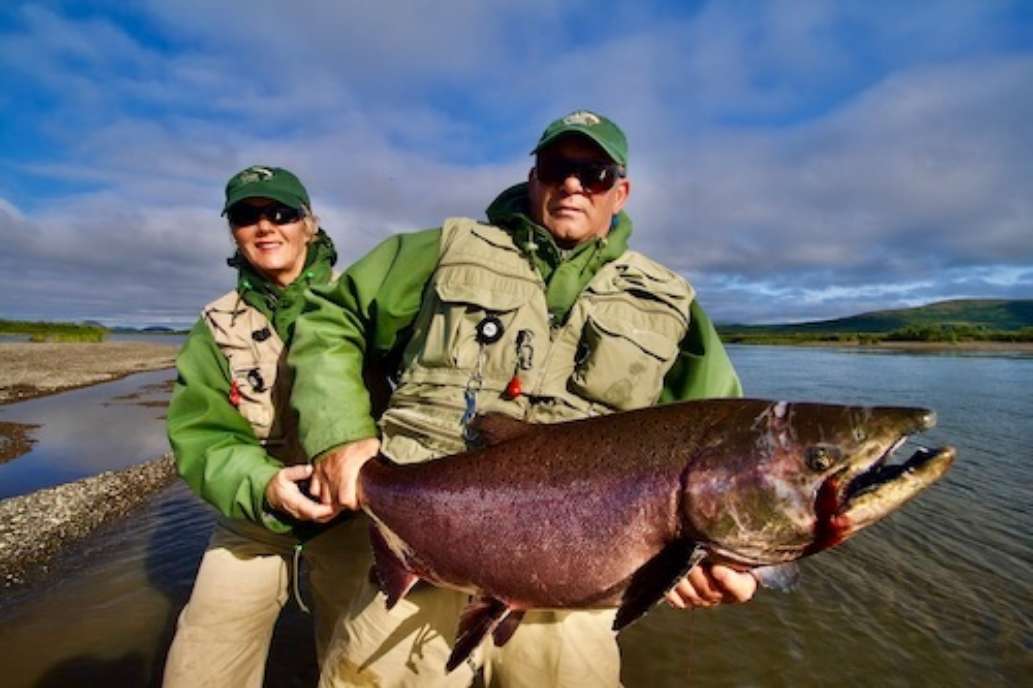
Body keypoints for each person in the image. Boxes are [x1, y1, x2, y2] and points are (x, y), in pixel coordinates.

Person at [289, 111, 757, 688]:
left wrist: (729, 555)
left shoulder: (671, 301)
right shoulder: (443, 249)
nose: (573, 185)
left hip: (572, 596)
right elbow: (329, 322)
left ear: (621, 191)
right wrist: (338, 435)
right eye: (558, 168)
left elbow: (729, 446)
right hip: (419, 553)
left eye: (595, 173)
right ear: (534, 177)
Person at [162, 166, 372, 687]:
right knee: (199, 664)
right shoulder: (214, 326)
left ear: (310, 224)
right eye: (246, 215)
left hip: (356, 517)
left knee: (365, 665)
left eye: (281, 213)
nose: (265, 226)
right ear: (232, 230)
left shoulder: (363, 298)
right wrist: (264, 486)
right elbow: (203, 437)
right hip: (255, 517)